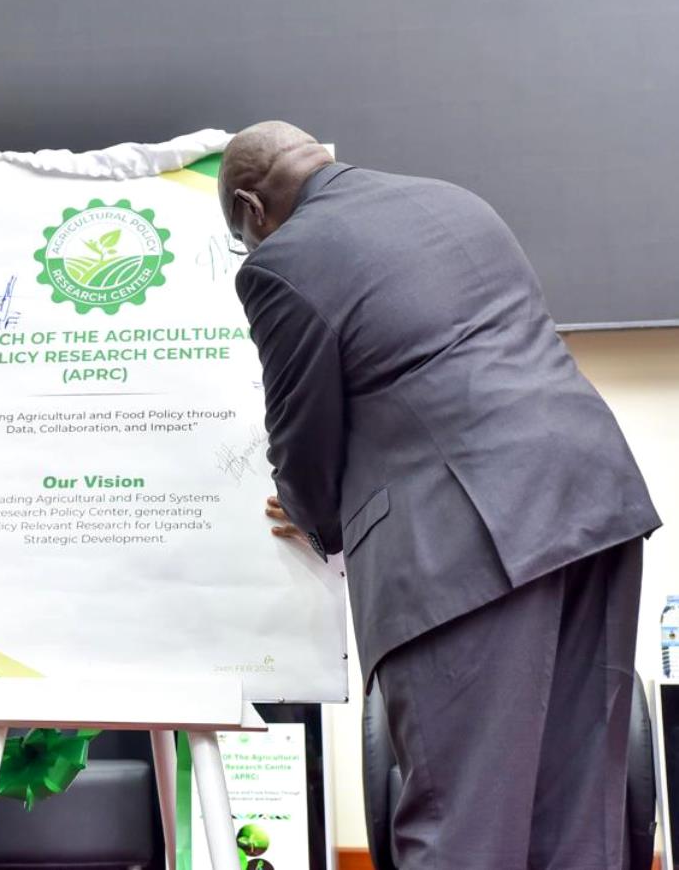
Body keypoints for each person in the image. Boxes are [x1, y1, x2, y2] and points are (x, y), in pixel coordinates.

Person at [218, 121, 660, 869]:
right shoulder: (453, 201)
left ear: (252, 210)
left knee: (464, 820)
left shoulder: (282, 261)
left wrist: (315, 518)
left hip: (466, 540)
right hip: (592, 499)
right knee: (579, 809)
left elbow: (300, 428)